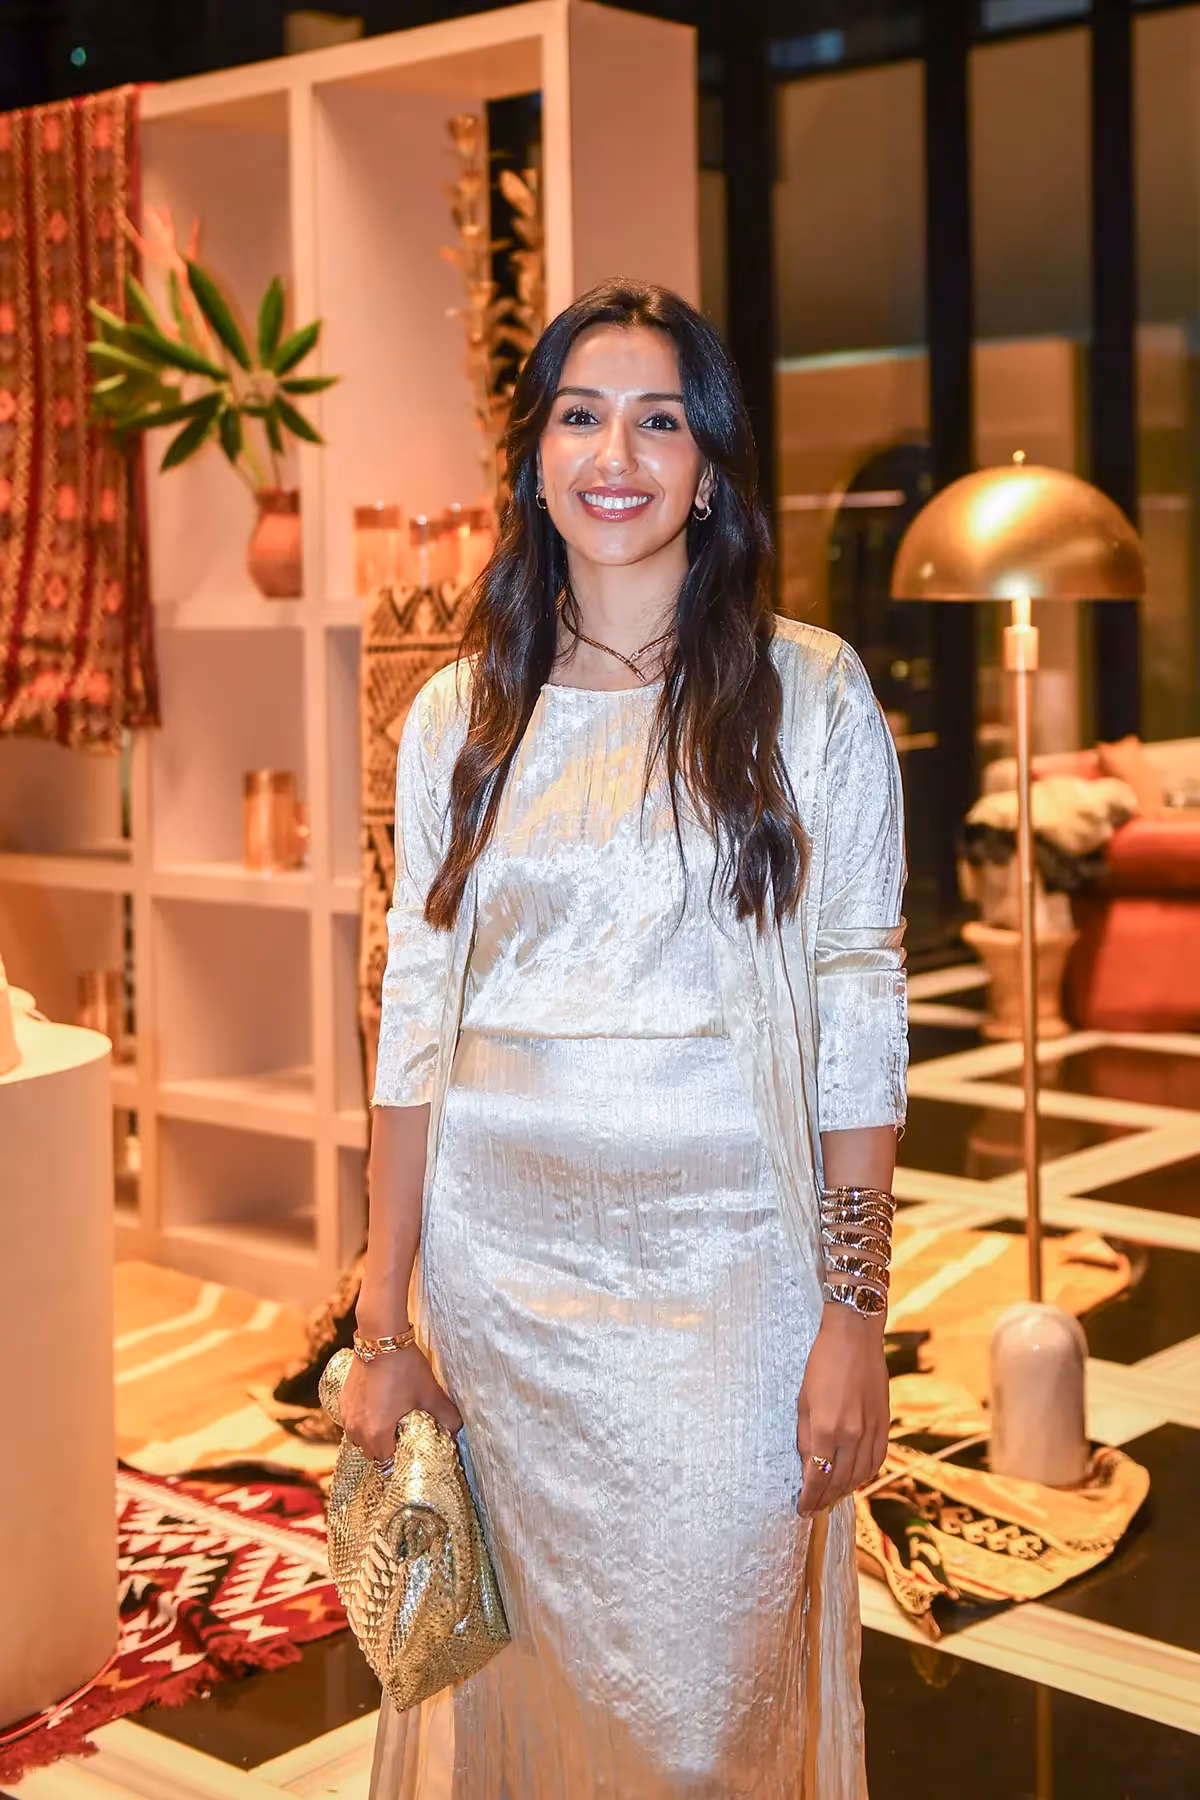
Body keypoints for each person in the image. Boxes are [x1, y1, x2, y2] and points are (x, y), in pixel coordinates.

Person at [341, 280, 907, 1800]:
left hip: (733, 1285)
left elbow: (859, 1000)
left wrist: (855, 1310)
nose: (616, 454)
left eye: (659, 420)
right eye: (581, 417)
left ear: (709, 467)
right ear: (535, 458)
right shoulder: (459, 715)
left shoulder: (809, 695)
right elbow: (413, 1018)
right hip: (502, 1291)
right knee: (530, 1699)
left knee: (705, 1719)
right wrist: (384, 1323)